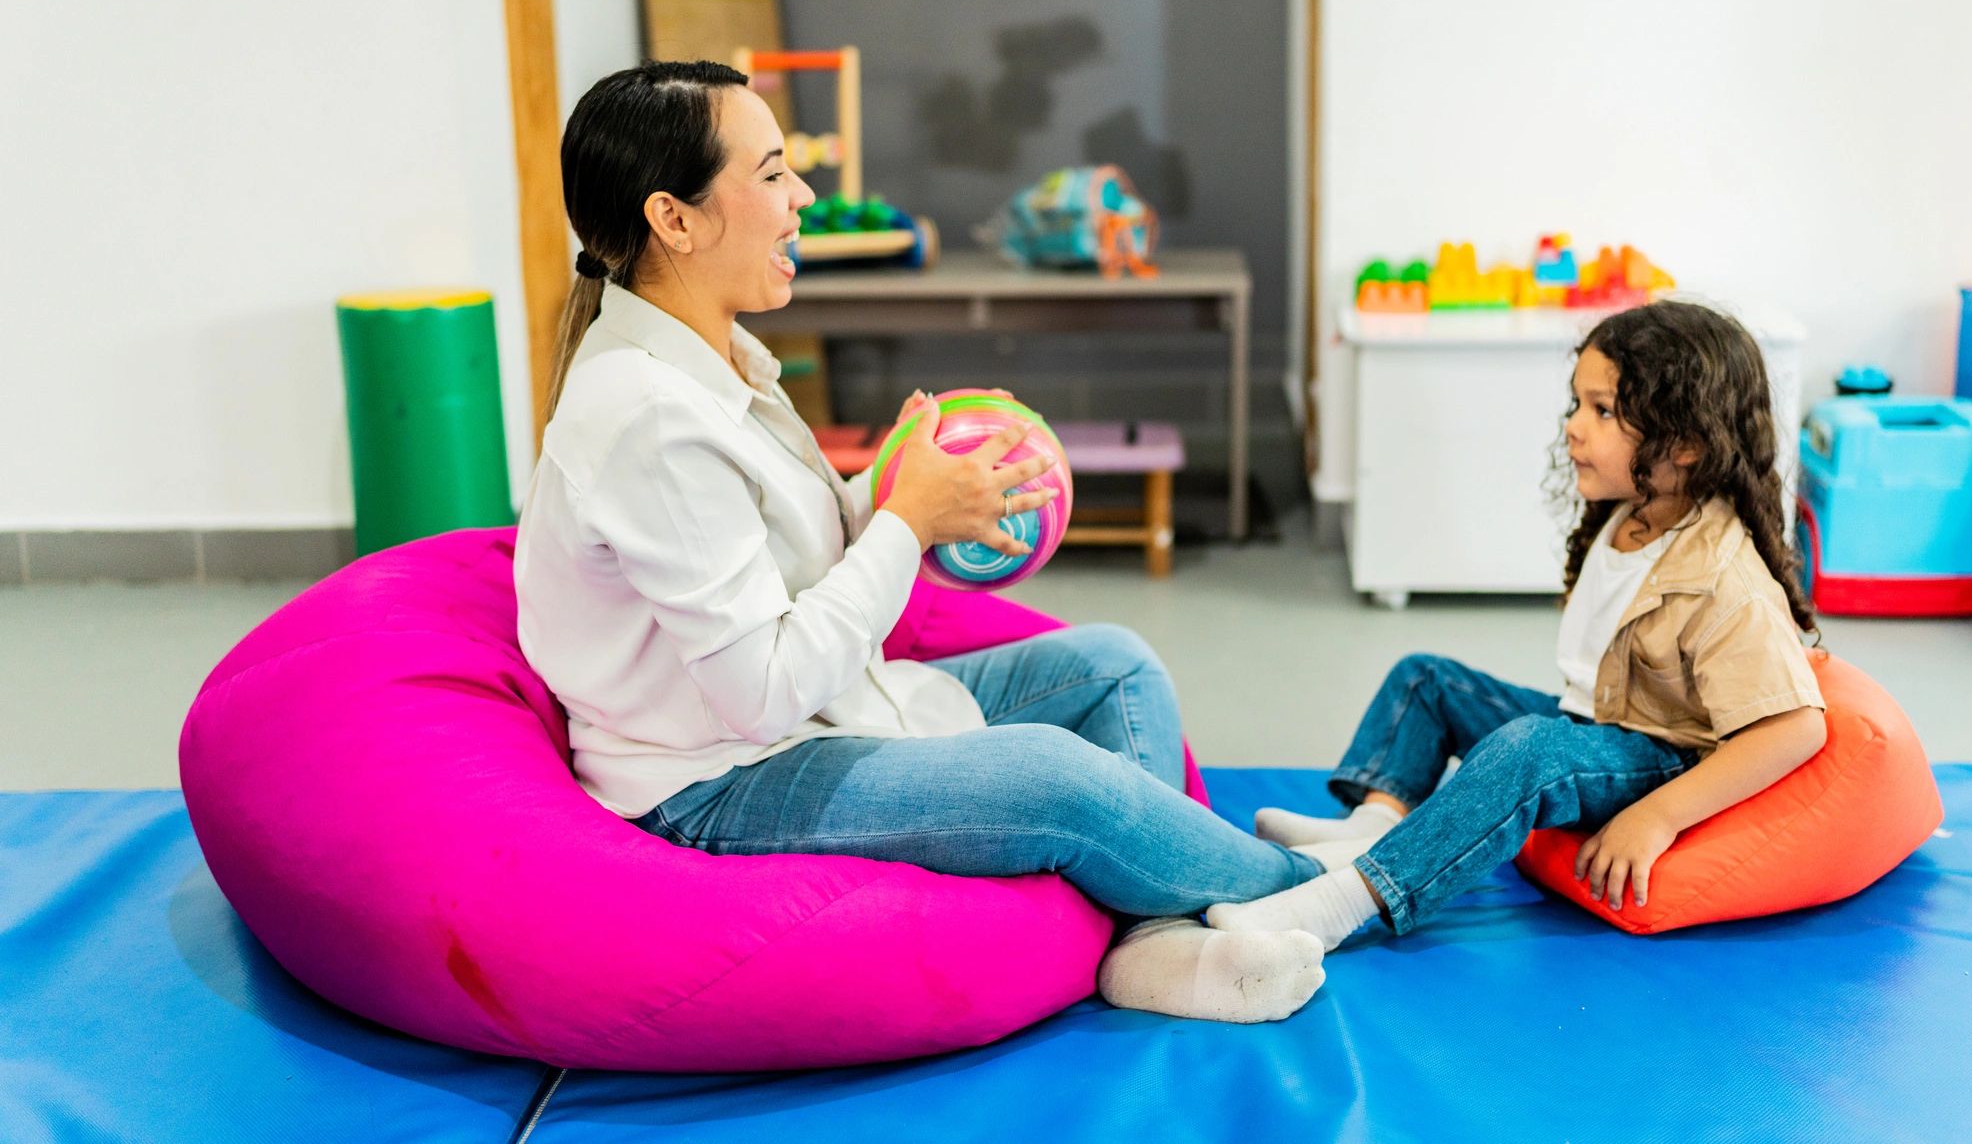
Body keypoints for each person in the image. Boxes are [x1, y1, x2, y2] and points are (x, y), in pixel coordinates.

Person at [514, 60, 1336, 1022]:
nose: (803, 197)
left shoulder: (714, 356)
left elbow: (774, 553)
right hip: (721, 779)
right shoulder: (646, 415)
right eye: (773, 173)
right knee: (1053, 779)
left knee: (1116, 663)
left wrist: (891, 488)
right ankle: (1312, 884)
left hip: (806, 715)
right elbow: (761, 690)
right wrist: (907, 523)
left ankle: (1154, 940)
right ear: (676, 219)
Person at [1210, 301, 1828, 947]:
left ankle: (1346, 900)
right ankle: (1374, 823)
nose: (1574, 428)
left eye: (1603, 410)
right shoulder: (1634, 512)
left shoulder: (1723, 575)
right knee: (1427, 678)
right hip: (1592, 725)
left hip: (1658, 755)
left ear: (1687, 442)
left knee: (1529, 748)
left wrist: (1659, 818)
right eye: (1577, 404)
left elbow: (1793, 728)